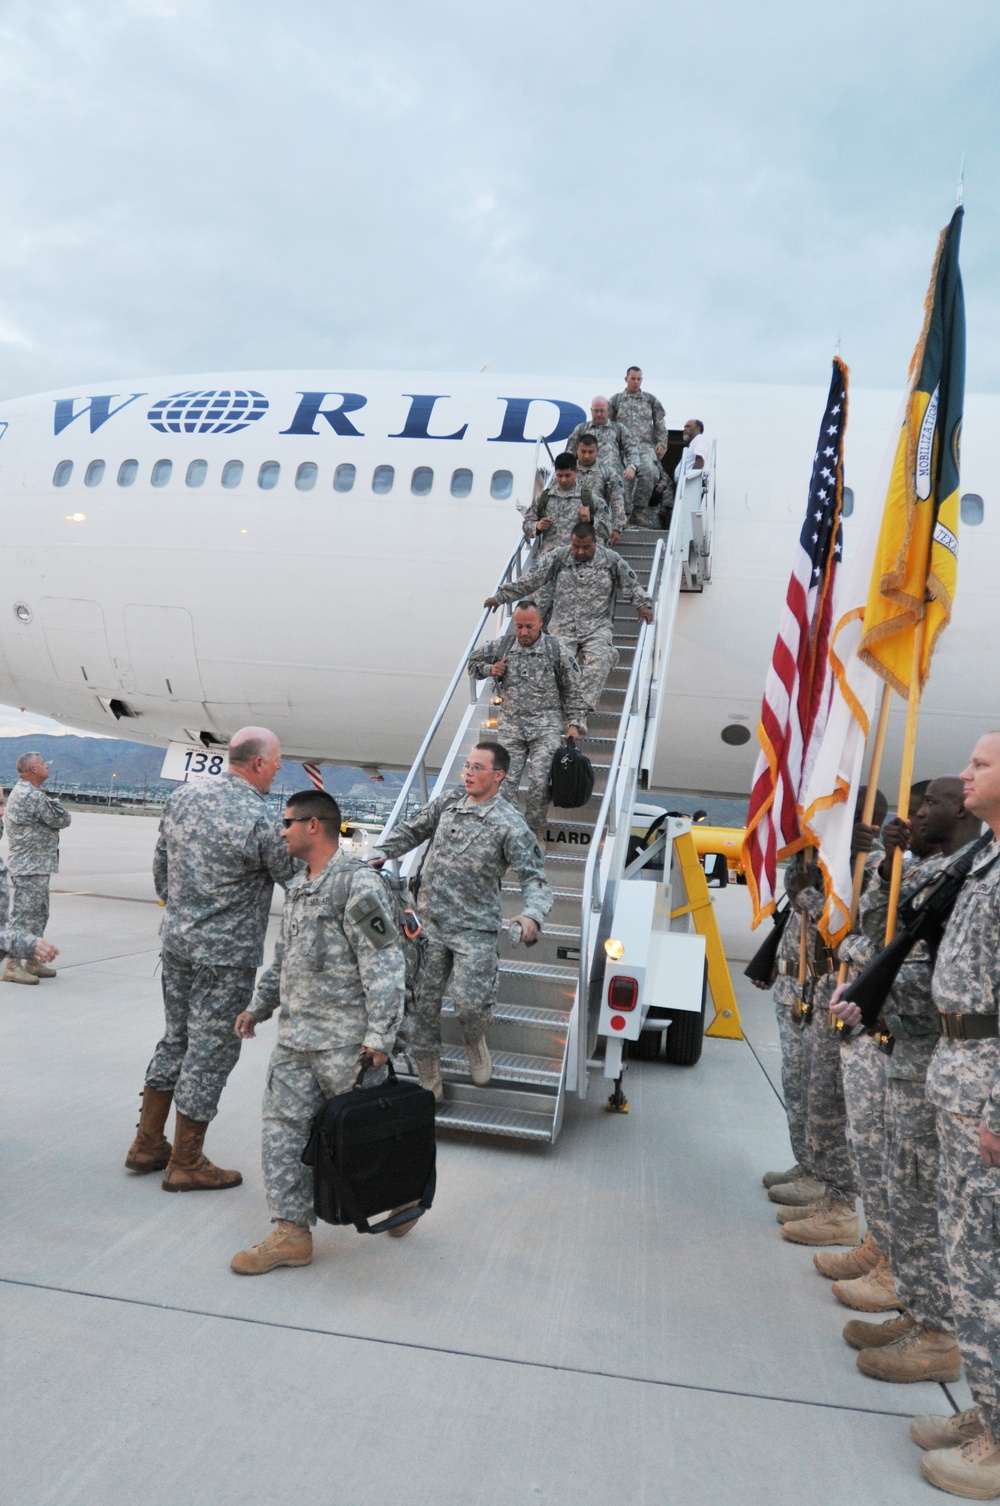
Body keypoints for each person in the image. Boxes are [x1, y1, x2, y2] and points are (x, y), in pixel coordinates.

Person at [830, 779, 980, 1385]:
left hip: (945, 1059)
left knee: (932, 1201)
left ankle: (936, 1327)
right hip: (916, 1048)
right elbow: (884, 929)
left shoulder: (971, 873)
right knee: (902, 1180)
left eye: (932, 803)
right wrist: (888, 862)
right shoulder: (953, 870)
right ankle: (920, 1307)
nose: (918, 812)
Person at [230, 789, 406, 1275]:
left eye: (287, 822)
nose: (280, 831)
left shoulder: (356, 884)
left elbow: (385, 962)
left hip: (347, 1045)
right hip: (295, 1040)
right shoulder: (301, 886)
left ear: (313, 826)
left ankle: (404, 1194)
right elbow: (286, 959)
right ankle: (291, 1233)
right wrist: (258, 1008)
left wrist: (380, 1036)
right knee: (282, 1134)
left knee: (366, 1139)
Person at [125, 727, 294, 1192]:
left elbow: (161, 869)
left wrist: (184, 914)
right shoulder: (261, 818)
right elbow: (295, 880)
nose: (280, 767)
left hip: (177, 945)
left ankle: (147, 1143)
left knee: (175, 1038)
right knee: (212, 1050)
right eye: (276, 760)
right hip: (226, 956)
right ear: (258, 763)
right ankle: (187, 1162)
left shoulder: (184, 798)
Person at [910, 734, 1000, 1498]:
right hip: (959, 1071)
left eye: (981, 765)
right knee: (967, 1258)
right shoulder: (988, 862)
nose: (965, 774)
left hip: (989, 1091)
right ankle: (988, 1410)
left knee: (987, 1272)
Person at [371, 742, 552, 1101]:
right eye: (467, 765)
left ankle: (474, 1038)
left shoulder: (510, 825)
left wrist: (532, 915)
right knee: (422, 1005)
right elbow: (413, 829)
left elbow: (535, 879)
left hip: (475, 930)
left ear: (498, 776)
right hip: (429, 925)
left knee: (470, 1005)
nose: (468, 772)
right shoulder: (448, 803)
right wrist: (383, 850)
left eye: (477, 767)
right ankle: (429, 1079)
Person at [779, 789, 886, 1250]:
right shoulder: (834, 856)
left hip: (846, 996)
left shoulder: (879, 866)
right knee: (807, 1090)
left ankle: (838, 1200)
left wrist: (805, 893)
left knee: (831, 1102)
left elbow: (844, 926)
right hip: (814, 987)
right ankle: (818, 1177)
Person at [486, 522, 653, 734]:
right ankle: (555, 716)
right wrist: (501, 597)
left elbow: (632, 585)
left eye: (586, 547)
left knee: (600, 660)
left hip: (597, 628)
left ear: (595, 543)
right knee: (557, 666)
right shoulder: (559, 557)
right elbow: (530, 580)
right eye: (576, 547)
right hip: (563, 627)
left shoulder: (610, 560)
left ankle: (578, 715)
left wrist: (643, 605)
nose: (580, 552)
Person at [467, 600, 583, 842]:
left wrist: (574, 723)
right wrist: (491, 669)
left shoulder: (555, 649)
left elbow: (573, 688)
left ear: (540, 622)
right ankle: (508, 835)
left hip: (546, 726)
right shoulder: (505, 645)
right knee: (504, 783)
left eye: (529, 626)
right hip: (512, 727)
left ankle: (533, 834)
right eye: (519, 626)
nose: (523, 632)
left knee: (540, 782)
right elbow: (472, 662)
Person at [4, 752, 71, 984]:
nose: (46, 767)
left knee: (38, 914)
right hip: (29, 865)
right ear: (33, 769)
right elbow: (62, 819)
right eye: (43, 764)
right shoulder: (29, 795)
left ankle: (32, 959)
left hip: (36, 864)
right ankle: (13, 965)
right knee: (24, 916)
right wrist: (57, 807)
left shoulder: (29, 793)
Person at [609, 367, 668, 525]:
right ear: (626, 379)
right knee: (623, 478)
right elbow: (608, 424)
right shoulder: (616, 400)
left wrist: (662, 443)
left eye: (638, 379)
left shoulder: (650, 400)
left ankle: (638, 511)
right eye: (632, 379)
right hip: (623, 447)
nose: (636, 382)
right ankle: (622, 514)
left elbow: (660, 424)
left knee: (650, 472)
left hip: (644, 446)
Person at [520, 453, 610, 554]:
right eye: (559, 475)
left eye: (567, 475)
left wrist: (591, 520)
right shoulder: (544, 498)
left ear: (576, 472)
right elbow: (526, 524)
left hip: (578, 559)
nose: (563, 480)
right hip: (550, 559)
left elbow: (606, 531)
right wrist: (537, 526)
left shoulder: (589, 499)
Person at [565, 396, 636, 479]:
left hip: (613, 478)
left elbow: (632, 449)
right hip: (585, 478)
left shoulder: (619, 428)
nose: (599, 414)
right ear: (591, 411)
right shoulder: (581, 429)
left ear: (608, 411)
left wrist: (631, 467)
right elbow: (569, 454)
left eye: (602, 411)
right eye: (596, 411)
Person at [575, 433, 627, 544]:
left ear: (597, 451)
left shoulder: (608, 473)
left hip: (596, 527)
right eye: (583, 452)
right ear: (577, 450)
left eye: (590, 452)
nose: (587, 456)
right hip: (569, 526)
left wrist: (617, 528)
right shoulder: (568, 473)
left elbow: (617, 501)